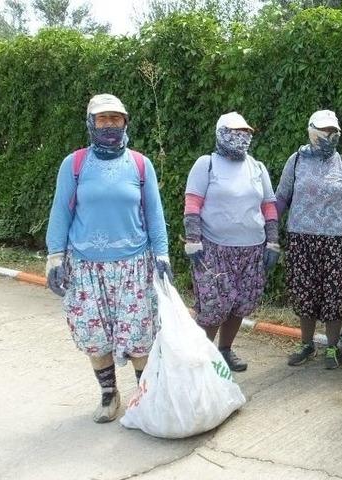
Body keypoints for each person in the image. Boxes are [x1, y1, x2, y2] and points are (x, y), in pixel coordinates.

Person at [45, 93, 171, 423]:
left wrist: (162, 254)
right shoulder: (74, 165)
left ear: (125, 122)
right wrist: (55, 257)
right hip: (85, 267)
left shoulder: (140, 164)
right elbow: (60, 212)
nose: (110, 124)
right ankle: (109, 394)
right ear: (91, 123)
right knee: (94, 336)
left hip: (134, 265)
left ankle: (145, 398)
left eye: (116, 118)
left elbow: (154, 214)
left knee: (140, 335)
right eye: (102, 119)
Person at [275, 109, 342, 369]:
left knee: (335, 294)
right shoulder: (296, 161)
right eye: (325, 131)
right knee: (304, 292)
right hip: (302, 238)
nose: (330, 135)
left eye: (334, 131)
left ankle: (332, 347)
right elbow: (281, 198)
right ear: (312, 131)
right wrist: (266, 230)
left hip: (338, 240)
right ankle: (306, 344)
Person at [183, 112, 279, 372]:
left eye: (245, 132)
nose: (241, 137)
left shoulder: (257, 168)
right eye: (234, 132)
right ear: (221, 134)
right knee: (214, 307)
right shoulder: (206, 164)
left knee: (241, 304)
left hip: (252, 250)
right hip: (214, 250)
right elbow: (192, 204)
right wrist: (192, 239)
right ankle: (200, 360)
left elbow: (269, 206)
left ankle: (224, 351)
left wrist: (272, 242)